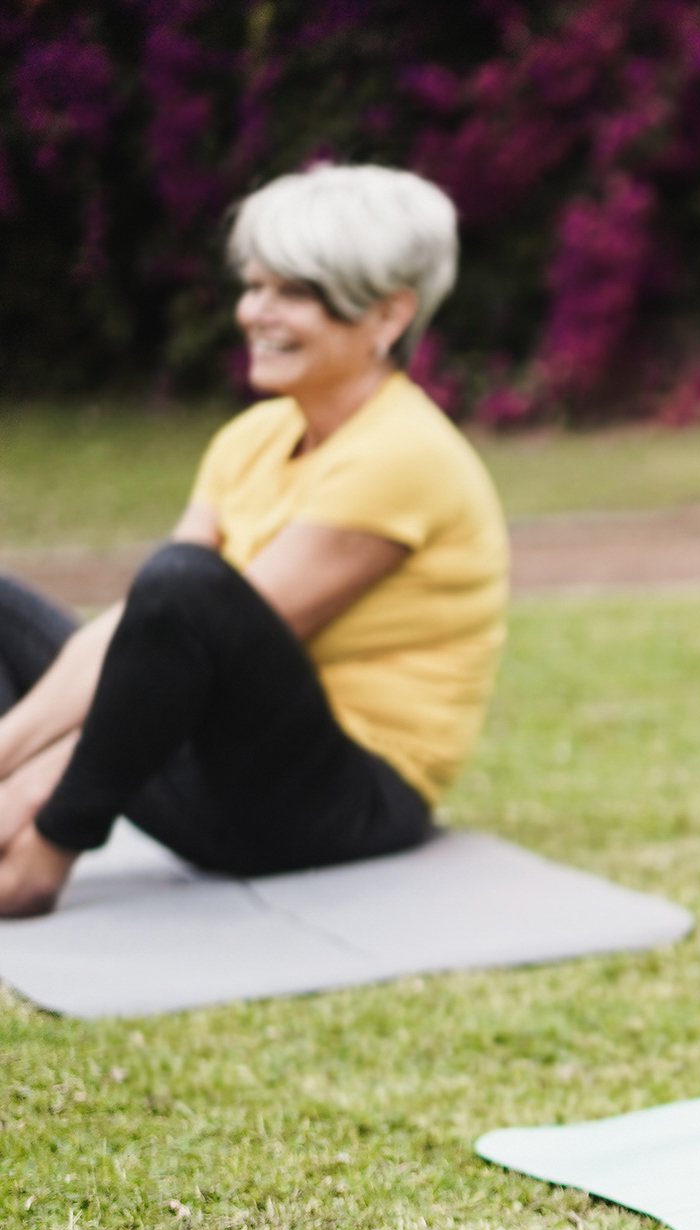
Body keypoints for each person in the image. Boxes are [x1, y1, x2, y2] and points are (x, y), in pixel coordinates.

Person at [0, 164, 507, 915]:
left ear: (389, 316)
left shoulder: (405, 455)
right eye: (255, 285)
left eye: (294, 292)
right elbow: (133, 638)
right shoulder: (253, 438)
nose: (255, 313)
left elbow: (187, 632)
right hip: (216, 764)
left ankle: (42, 860)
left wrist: (36, 805)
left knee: (184, 583)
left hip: (337, 805)